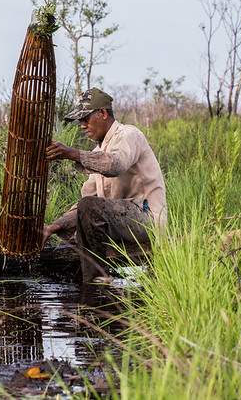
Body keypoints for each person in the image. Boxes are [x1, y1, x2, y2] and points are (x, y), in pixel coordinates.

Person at [41, 88, 167, 284]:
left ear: (103, 113)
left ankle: (96, 282)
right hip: (122, 222)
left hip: (146, 219)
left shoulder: (129, 134)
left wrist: (73, 153)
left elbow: (116, 164)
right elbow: (85, 205)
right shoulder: (99, 150)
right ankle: (89, 281)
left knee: (90, 208)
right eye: (80, 121)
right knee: (82, 221)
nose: (82, 126)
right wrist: (53, 227)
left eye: (85, 119)